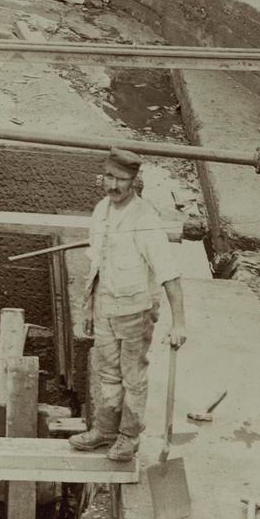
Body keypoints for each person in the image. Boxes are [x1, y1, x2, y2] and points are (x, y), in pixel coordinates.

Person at [72, 148, 187, 467]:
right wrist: (88, 307)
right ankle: (106, 430)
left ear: (134, 181)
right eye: (108, 177)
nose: (113, 185)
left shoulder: (145, 220)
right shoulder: (100, 211)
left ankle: (130, 437)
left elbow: (169, 274)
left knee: (132, 377)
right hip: (105, 308)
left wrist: (179, 323)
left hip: (135, 313)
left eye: (121, 179)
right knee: (107, 373)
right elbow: (97, 263)